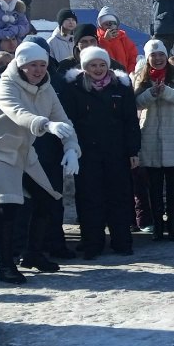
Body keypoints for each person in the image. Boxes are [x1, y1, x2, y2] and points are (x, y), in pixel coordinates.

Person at [0, 41, 80, 284]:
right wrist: (46, 125)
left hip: (23, 150)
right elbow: (19, 113)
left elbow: (64, 120)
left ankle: (33, 254)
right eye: (33, 65)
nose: (39, 70)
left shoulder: (47, 88)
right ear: (21, 65)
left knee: (46, 198)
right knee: (8, 205)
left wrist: (72, 148)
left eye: (43, 64)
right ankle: (5, 265)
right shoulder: (4, 85)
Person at [60, 45, 139, 259]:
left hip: (117, 151)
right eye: (93, 65)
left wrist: (133, 150)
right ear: (85, 67)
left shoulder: (120, 86)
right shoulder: (74, 88)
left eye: (102, 64)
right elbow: (69, 120)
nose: (98, 69)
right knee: (89, 198)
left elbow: (130, 121)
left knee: (119, 197)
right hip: (86, 153)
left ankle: (122, 241)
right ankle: (92, 243)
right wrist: (70, 147)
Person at [134, 40, 174, 241]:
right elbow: (137, 103)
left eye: (160, 55)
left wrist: (165, 91)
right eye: (153, 55)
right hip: (151, 138)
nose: (157, 59)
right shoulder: (141, 76)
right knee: (154, 190)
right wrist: (151, 93)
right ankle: (158, 228)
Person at [96, 7, 137, 72]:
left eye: (113, 23)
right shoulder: (96, 39)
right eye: (106, 24)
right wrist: (104, 41)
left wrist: (128, 73)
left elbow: (133, 58)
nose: (110, 26)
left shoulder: (124, 39)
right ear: (101, 26)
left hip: (123, 75)